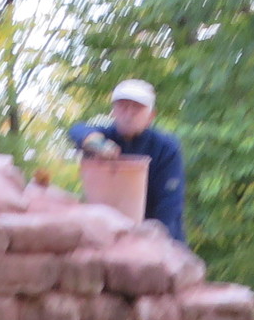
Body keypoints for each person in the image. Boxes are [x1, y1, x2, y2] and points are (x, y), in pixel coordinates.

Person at [69, 77, 187, 240]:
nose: (129, 114)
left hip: (157, 234)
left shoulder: (165, 147)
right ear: (113, 111)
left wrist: (155, 240)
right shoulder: (104, 136)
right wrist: (98, 144)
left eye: (137, 108)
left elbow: (169, 205)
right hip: (109, 234)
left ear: (151, 116)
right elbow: (77, 130)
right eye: (123, 107)